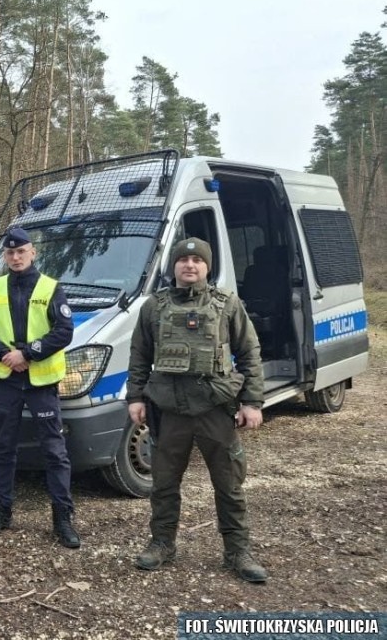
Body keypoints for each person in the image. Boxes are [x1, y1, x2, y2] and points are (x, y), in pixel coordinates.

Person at [125, 236, 267, 583]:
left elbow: (249, 353)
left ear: (207, 266)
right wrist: (135, 398)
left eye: (197, 260)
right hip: (169, 408)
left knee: (229, 483)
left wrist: (252, 402)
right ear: (173, 266)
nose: (190, 265)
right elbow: (140, 355)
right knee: (163, 483)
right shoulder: (153, 306)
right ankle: (161, 544)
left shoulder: (227, 304)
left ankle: (238, 551)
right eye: (183, 260)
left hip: (215, 407)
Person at [0, 227, 81, 548]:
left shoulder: (50, 287)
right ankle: (1, 512)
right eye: (10, 253)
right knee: (4, 447)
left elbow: (64, 331)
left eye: (21, 252)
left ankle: (62, 518)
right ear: (4, 256)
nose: (16, 257)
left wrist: (28, 353)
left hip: (41, 381)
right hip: (7, 379)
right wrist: (5, 355)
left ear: (34, 253)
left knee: (54, 451)